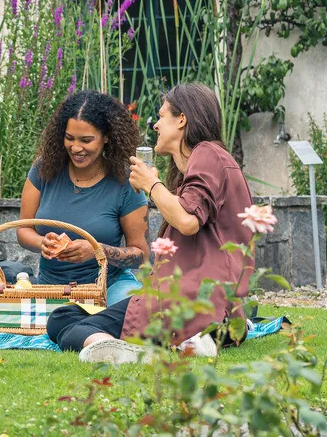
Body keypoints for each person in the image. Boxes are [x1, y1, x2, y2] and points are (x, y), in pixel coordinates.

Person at [45, 83, 254, 363]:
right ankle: (200, 338)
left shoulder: (207, 153)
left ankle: (121, 350)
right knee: (68, 314)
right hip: (210, 301)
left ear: (182, 120)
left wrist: (150, 183)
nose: (156, 125)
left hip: (185, 300)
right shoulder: (209, 161)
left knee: (63, 320)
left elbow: (188, 221)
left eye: (162, 116)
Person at [16, 90, 149, 306]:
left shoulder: (125, 182)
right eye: (69, 138)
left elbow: (141, 254)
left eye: (86, 140)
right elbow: (23, 230)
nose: (76, 148)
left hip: (108, 287)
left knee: (132, 312)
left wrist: (97, 250)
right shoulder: (44, 169)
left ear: (107, 137)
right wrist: (43, 243)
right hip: (52, 287)